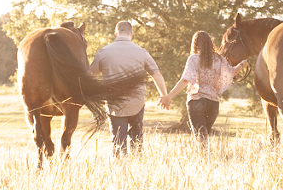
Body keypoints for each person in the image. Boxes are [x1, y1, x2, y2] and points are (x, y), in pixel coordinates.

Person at [90, 21, 168, 156]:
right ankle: (136, 165)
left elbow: (90, 76)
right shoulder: (141, 52)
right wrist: (164, 95)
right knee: (137, 138)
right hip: (136, 101)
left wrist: (92, 99)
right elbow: (156, 74)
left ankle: (121, 169)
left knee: (118, 140)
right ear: (131, 33)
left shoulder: (103, 52)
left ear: (116, 33)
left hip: (115, 103)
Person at [158, 31, 248, 145]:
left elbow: (185, 80)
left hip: (197, 102)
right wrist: (242, 64)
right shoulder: (219, 59)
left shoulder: (194, 59)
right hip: (213, 104)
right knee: (205, 136)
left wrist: (169, 96)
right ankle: (206, 158)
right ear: (210, 43)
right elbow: (233, 72)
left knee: (200, 138)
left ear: (195, 44)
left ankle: (203, 157)